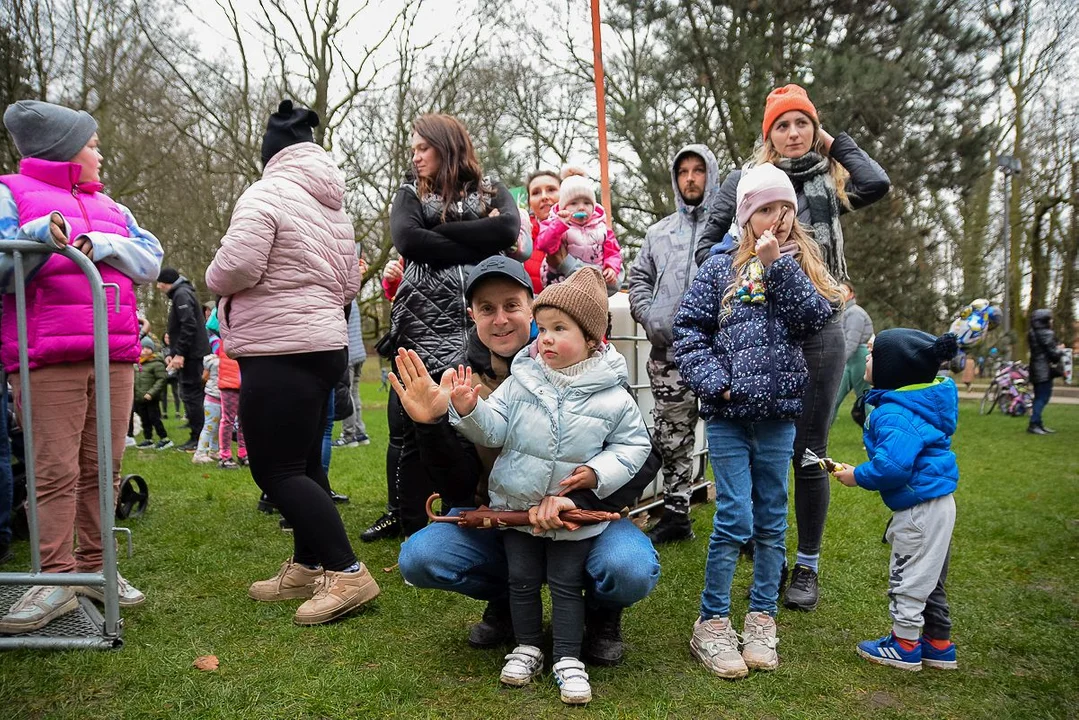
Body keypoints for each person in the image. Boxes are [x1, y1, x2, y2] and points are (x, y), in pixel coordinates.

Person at [395, 255, 662, 667]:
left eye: (511, 305)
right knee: (421, 556)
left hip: (580, 516)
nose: (500, 319)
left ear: (531, 307)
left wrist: (585, 500)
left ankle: (602, 614)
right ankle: (506, 604)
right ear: (472, 316)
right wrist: (432, 424)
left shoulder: (595, 372)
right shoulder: (462, 379)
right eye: (487, 309)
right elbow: (458, 485)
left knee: (627, 567)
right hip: (505, 516)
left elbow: (643, 452)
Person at [696, 84, 890, 611]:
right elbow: (706, 242)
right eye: (781, 125)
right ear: (767, 136)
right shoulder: (745, 181)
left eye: (801, 122)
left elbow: (877, 182)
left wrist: (830, 143)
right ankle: (770, 552)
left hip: (821, 320)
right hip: (759, 322)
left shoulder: (829, 177)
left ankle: (807, 565)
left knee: (809, 447)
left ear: (814, 128)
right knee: (763, 443)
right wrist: (745, 261)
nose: (793, 132)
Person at [205, 99, 377, 625]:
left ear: (271, 154)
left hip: (280, 348)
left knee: (274, 469)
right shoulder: (333, 207)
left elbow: (236, 265)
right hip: (323, 345)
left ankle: (347, 573)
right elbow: (350, 282)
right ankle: (307, 564)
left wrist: (214, 278)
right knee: (304, 463)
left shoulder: (267, 193)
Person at [446, 267, 651, 704]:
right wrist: (469, 411)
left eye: (561, 329)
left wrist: (597, 475)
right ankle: (526, 646)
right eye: (544, 329)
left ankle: (567, 656)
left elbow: (635, 446)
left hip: (573, 517)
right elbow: (495, 429)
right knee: (520, 580)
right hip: (517, 509)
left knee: (564, 582)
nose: (547, 339)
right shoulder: (522, 380)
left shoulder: (612, 393)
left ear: (593, 340)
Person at [0, 100, 162, 632]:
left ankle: (98, 567)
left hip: (113, 353)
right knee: (53, 469)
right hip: (46, 357)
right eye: (92, 144)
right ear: (65, 149)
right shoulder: (11, 193)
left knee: (104, 467)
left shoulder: (112, 206)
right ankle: (55, 577)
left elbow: (149, 257)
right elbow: (4, 266)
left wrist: (106, 244)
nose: (99, 153)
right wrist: (42, 241)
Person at [673, 163, 839, 679]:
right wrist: (713, 381)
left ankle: (762, 616)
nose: (780, 219)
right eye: (767, 209)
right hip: (727, 416)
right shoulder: (718, 267)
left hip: (778, 417)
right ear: (746, 215)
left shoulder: (798, 264)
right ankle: (713, 621)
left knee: (771, 518)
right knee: (733, 519)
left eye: (786, 209)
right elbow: (689, 330)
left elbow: (813, 318)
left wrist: (779, 268)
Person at [378, 113, 520, 539]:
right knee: (408, 429)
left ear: (445, 145)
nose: (416, 156)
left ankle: (468, 510)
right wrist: (481, 235)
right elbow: (408, 240)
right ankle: (405, 521)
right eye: (413, 149)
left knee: (471, 423)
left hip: (475, 330)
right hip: (420, 327)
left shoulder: (490, 188)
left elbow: (509, 229)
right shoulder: (409, 192)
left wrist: (439, 232)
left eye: (423, 147)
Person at [832, 329, 960, 671]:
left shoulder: (894, 413)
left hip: (919, 508)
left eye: (874, 355)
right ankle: (938, 642)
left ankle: (904, 644)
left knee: (909, 575)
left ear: (894, 368)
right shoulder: (921, 403)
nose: (867, 358)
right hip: (939, 501)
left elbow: (892, 467)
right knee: (931, 576)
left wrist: (856, 476)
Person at [628, 144, 719, 544]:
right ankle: (676, 515)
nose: (690, 178)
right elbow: (638, 280)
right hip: (669, 355)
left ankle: (744, 525)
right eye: (683, 171)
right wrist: (650, 317)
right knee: (672, 437)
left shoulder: (730, 230)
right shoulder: (658, 233)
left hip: (720, 355)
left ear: (710, 176)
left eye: (698, 170)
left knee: (729, 439)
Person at [534, 170, 622, 294]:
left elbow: (614, 252)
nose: (581, 207)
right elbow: (544, 244)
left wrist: (611, 267)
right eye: (574, 203)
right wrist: (560, 225)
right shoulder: (555, 223)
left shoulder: (602, 228)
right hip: (560, 286)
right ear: (563, 207)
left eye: (587, 203)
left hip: (594, 288)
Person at [156, 267, 211, 450]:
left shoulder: (181, 295)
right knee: (191, 394)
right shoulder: (182, 293)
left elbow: (188, 324)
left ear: (166, 282)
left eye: (160, 283)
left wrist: (180, 353)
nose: (158, 287)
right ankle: (199, 435)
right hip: (190, 353)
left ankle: (198, 438)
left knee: (192, 394)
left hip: (192, 355)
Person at [832, 281, 874, 423]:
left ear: (851, 295)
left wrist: (838, 361)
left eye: (844, 290)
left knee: (865, 398)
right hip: (847, 358)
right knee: (833, 398)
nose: (840, 293)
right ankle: (818, 438)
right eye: (838, 290)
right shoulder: (842, 312)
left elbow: (852, 342)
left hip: (858, 357)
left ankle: (876, 435)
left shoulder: (855, 313)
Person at [334, 298, 371, 447]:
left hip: (348, 354)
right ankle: (360, 432)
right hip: (359, 353)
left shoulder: (341, 299)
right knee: (354, 393)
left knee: (346, 394)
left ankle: (349, 435)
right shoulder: (353, 299)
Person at [1027, 308, 1065, 435]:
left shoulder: (1032, 332)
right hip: (1043, 370)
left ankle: (1038, 423)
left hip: (1035, 369)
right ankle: (1034, 423)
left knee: (1039, 396)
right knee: (1043, 398)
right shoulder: (1047, 333)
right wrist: (1061, 350)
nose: (1052, 321)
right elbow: (1053, 354)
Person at [523, 170, 560, 294]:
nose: (544, 196)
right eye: (536, 192)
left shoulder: (589, 228)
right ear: (529, 202)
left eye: (551, 189)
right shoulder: (520, 238)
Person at [133, 337, 172, 450]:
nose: (145, 350)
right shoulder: (137, 363)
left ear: (152, 350)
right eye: (143, 348)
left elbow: (161, 379)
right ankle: (148, 439)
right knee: (144, 419)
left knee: (154, 418)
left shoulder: (156, 363)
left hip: (151, 397)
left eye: (148, 348)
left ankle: (164, 438)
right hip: (139, 397)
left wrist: (151, 393)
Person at [192, 313, 222, 464]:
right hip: (213, 398)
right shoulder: (214, 362)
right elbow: (204, 377)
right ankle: (200, 453)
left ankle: (214, 450)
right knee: (210, 426)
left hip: (216, 397)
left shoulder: (212, 361)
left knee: (215, 426)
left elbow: (204, 377)